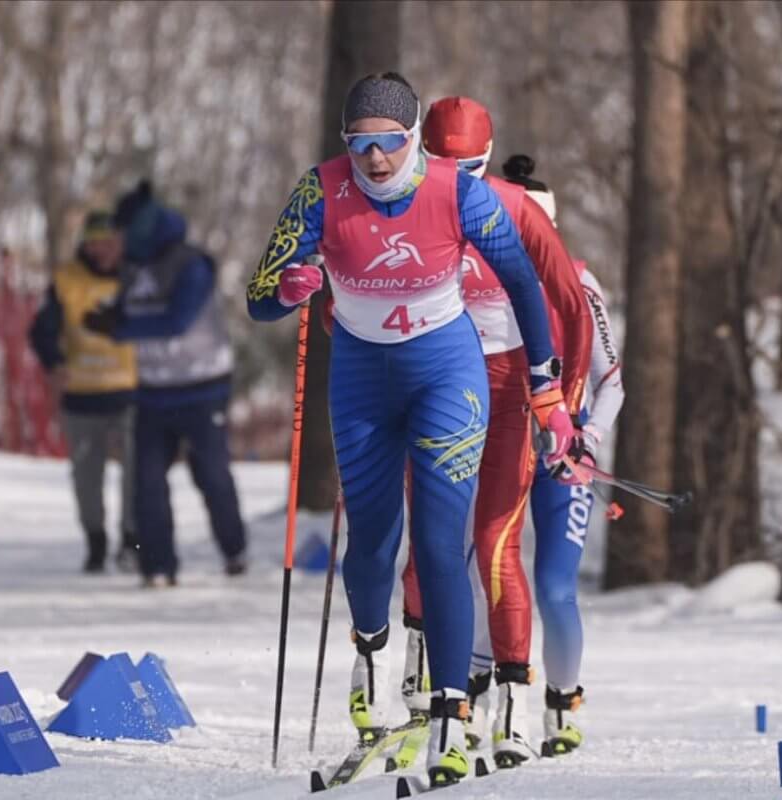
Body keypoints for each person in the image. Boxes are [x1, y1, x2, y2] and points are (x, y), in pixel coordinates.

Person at [246, 72, 574, 787]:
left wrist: (547, 385)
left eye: (390, 142)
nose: (376, 158)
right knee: (370, 541)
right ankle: (372, 651)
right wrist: (288, 288)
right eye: (360, 144)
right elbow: (258, 298)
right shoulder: (320, 190)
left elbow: (523, 281)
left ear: (413, 135)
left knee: (436, 539)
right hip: (363, 381)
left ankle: (451, 714)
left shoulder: (455, 190)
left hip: (445, 374)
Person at [397, 96, 592, 768]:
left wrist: (563, 405)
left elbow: (574, 306)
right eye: (442, 167)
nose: (457, 184)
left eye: (470, 170)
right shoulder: (400, 201)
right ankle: (425, 692)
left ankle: (511, 703)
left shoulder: (516, 207)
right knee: (429, 538)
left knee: (494, 543)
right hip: (436, 381)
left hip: (509, 387)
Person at [504, 153, 626, 757]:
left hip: (562, 451)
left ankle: (562, 702)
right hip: (498, 442)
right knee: (488, 574)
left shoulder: (578, 280)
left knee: (555, 586)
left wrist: (586, 440)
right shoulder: (479, 272)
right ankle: (488, 694)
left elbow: (614, 381)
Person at [84, 181, 247, 587]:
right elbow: (130, 309)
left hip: (203, 386)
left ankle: (234, 549)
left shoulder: (191, 265)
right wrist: (108, 317)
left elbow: (177, 321)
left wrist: (121, 328)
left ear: (139, 229)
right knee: (146, 482)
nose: (115, 241)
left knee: (210, 474)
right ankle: (157, 566)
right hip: (154, 391)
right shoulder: (134, 267)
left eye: (121, 232)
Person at [29, 211, 139, 574]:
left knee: (137, 474)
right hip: (82, 393)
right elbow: (42, 330)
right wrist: (54, 362)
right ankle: (96, 542)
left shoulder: (136, 275)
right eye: (95, 243)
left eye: (108, 243)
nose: (102, 251)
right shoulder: (67, 280)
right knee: (86, 477)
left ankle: (131, 542)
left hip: (131, 392)